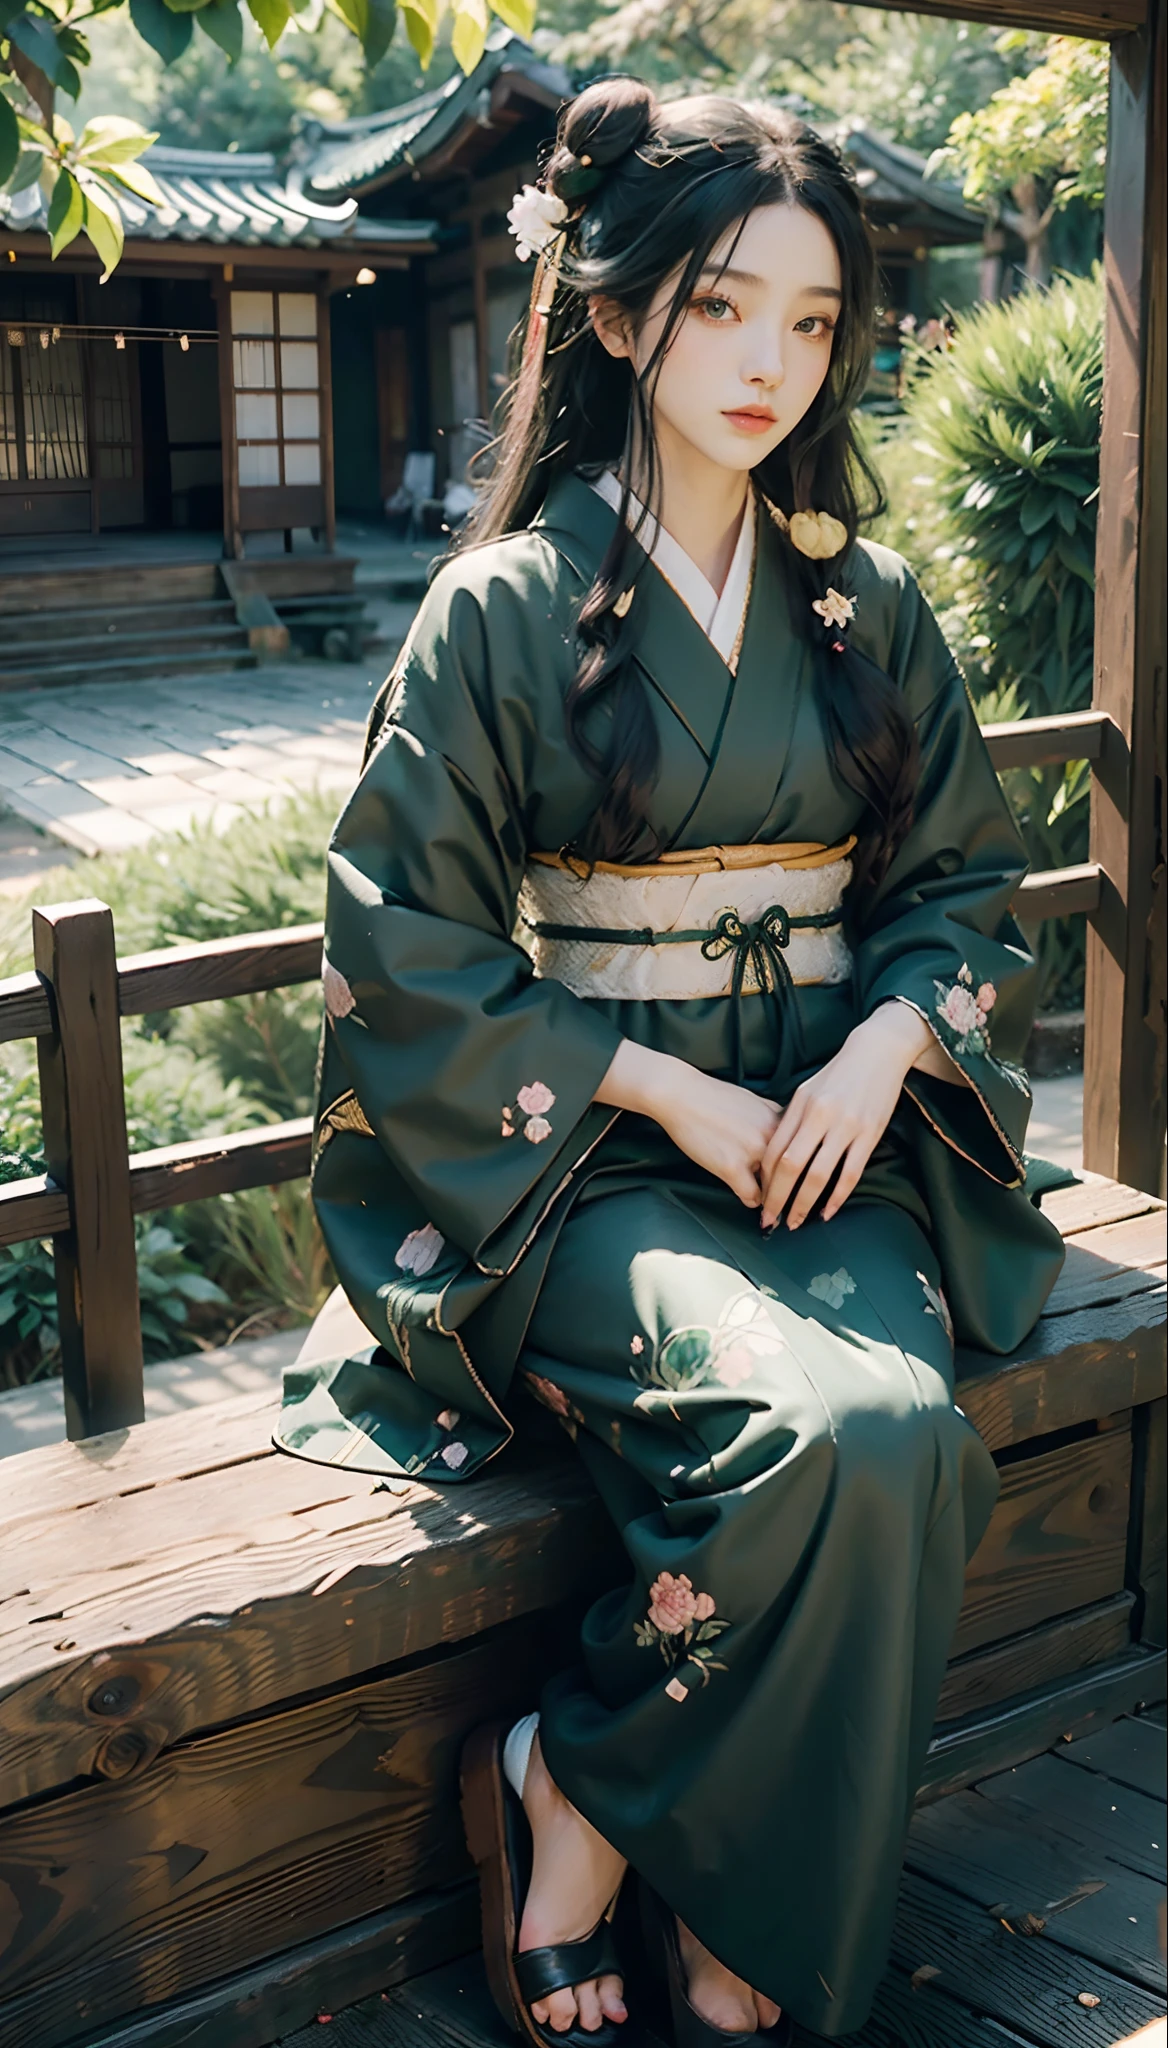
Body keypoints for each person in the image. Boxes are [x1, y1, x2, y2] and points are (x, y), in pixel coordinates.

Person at [275, 77, 1065, 2046]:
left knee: (896, 1445)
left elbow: (961, 881)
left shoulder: (861, 608)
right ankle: (663, 1886)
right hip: (584, 1164)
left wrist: (885, 1047)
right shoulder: (496, 615)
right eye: (722, 307)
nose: (769, 364)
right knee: (787, 1442)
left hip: (821, 1134)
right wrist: (661, 1090)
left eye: (811, 323)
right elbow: (405, 953)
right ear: (616, 317)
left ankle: (592, 1796)